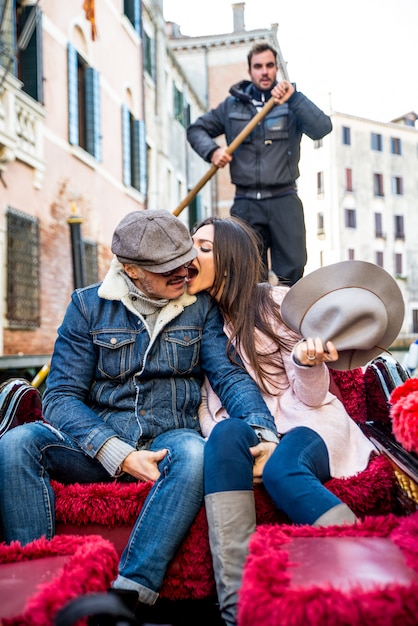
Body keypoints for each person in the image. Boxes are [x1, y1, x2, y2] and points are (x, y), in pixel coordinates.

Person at [0, 210, 278, 615]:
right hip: (96, 443)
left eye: (186, 262)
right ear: (130, 269)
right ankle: (35, 591)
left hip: (171, 439)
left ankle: (129, 594)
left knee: (196, 454)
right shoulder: (86, 307)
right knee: (16, 443)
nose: (184, 273)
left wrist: (263, 432)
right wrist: (120, 454)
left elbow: (230, 378)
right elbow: (60, 397)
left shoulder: (200, 309)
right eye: (170, 270)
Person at [186, 216, 378, 626]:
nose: (191, 253)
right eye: (191, 243)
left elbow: (311, 395)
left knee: (281, 469)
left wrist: (305, 362)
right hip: (252, 432)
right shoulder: (197, 321)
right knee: (222, 435)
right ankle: (236, 610)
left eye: (204, 247)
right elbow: (207, 406)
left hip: (309, 424)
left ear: (230, 259)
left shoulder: (275, 302)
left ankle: (369, 570)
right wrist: (243, 447)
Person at [187, 41, 332, 286]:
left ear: (277, 68)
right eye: (258, 66)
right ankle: (253, 323)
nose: (264, 71)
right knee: (246, 272)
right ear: (250, 71)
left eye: (269, 66)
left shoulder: (291, 103)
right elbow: (196, 130)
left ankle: (290, 323)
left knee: (293, 270)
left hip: (284, 199)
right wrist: (212, 152)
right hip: (246, 203)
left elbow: (322, 128)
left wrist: (294, 98)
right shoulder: (231, 107)